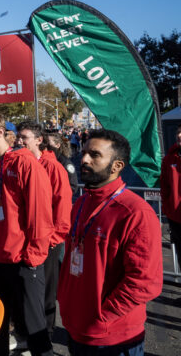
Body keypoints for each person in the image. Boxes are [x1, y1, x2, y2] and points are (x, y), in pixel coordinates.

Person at [58, 130, 163, 356]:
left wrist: (102, 315)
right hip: (76, 326)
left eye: (94, 155)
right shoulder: (83, 201)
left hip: (112, 337)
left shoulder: (135, 213)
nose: (84, 159)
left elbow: (145, 282)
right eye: (84, 152)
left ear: (117, 166)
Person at [0, 110, 54, 356]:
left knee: (34, 331)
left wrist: (33, 257)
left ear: (1, 132)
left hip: (20, 262)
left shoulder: (24, 162)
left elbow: (40, 215)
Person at [17, 121, 72, 334]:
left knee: (47, 289)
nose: (20, 141)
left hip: (48, 241)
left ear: (39, 140)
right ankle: (27, 332)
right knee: (28, 289)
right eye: (18, 137)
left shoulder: (54, 167)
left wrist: (52, 239)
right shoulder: (20, 163)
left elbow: (63, 205)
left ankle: (45, 333)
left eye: (25, 137)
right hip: (26, 239)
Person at [161, 125, 181, 273]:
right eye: (178, 132)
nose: (179, 136)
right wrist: (168, 209)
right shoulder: (168, 159)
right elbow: (164, 187)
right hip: (175, 217)